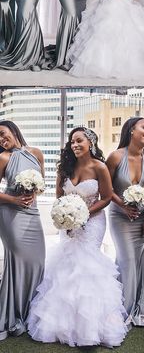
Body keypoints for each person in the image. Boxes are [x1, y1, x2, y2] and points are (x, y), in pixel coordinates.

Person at [27, 127, 127, 348]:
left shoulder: (99, 167)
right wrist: (66, 218)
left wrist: (84, 215)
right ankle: (63, 326)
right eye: (72, 142)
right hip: (68, 223)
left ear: (90, 142)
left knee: (87, 266)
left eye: (79, 141)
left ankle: (91, 329)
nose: (75, 145)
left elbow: (107, 197)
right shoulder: (65, 168)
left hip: (93, 222)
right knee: (67, 266)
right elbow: (59, 198)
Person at [106, 117, 144, 326]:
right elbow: (106, 189)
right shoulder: (115, 157)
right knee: (127, 260)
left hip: (141, 218)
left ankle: (132, 302)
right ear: (131, 130)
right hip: (119, 216)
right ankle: (123, 312)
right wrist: (123, 206)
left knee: (134, 261)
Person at [0, 120, 45, 340]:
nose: (1, 139)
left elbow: (42, 183)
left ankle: (33, 314)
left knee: (38, 262)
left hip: (32, 214)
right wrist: (15, 199)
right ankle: (15, 314)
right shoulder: (3, 158)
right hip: (11, 214)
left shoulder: (36, 152)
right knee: (18, 263)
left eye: (2, 133)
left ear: (13, 130)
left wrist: (33, 193)